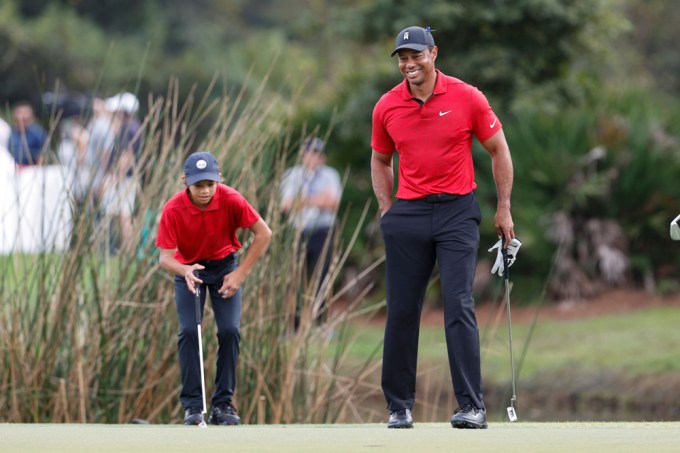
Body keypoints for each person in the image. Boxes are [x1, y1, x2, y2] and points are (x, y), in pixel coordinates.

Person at [370, 26, 516, 430]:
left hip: (457, 212)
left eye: (415, 55)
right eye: (402, 57)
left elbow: (498, 149)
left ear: (434, 53)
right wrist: (387, 209)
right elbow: (380, 160)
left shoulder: (467, 96)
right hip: (408, 214)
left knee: (458, 304)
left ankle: (471, 406)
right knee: (401, 310)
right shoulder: (386, 106)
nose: (408, 63)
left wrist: (503, 208)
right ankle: (398, 407)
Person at [156, 150, 272, 426]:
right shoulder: (173, 208)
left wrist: (239, 274)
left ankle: (223, 405)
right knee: (188, 332)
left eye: (210, 184)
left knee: (230, 330)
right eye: (198, 185)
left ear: (219, 179)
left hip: (225, 269)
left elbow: (264, 233)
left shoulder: (231, 199)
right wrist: (184, 269)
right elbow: (164, 257)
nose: (205, 191)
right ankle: (194, 407)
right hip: (190, 271)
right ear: (186, 181)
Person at [280, 136, 342, 327]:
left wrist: (303, 200)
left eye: (316, 153)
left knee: (322, 277)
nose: (313, 157)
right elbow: (286, 205)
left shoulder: (330, 175)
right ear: (303, 155)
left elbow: (333, 203)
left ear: (322, 156)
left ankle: (320, 323)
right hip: (299, 231)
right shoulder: (293, 175)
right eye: (309, 153)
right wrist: (318, 199)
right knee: (294, 278)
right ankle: (293, 324)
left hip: (324, 231)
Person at [8, 101, 48, 167]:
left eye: (25, 113)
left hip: (31, 170)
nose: (23, 116)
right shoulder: (11, 133)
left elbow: (42, 156)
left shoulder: (38, 133)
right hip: (12, 169)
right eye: (20, 113)